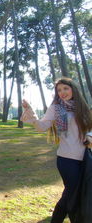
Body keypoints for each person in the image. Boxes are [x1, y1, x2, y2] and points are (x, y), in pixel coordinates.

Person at [21, 77, 92, 223]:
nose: (62, 92)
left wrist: (90, 137)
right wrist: (33, 118)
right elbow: (42, 127)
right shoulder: (57, 108)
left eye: (65, 88)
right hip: (67, 159)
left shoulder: (82, 108)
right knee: (71, 193)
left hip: (85, 158)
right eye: (59, 90)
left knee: (78, 193)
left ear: (73, 89)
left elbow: (90, 128)